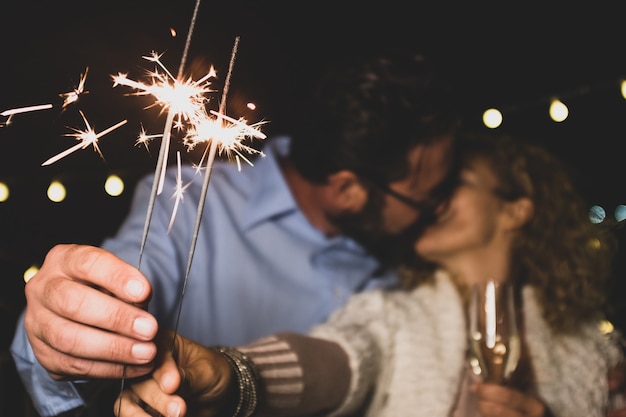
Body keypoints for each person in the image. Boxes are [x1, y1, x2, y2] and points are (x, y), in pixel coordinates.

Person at [11, 50, 462, 417]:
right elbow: (114, 296)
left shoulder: (404, 257)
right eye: (428, 196)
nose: (440, 209)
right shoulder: (189, 201)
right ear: (348, 190)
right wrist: (65, 330)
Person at [117, 132, 625, 417]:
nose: (431, 198)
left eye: (456, 184)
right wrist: (232, 372)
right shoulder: (393, 311)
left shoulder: (593, 346)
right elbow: (339, 357)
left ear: (516, 210)